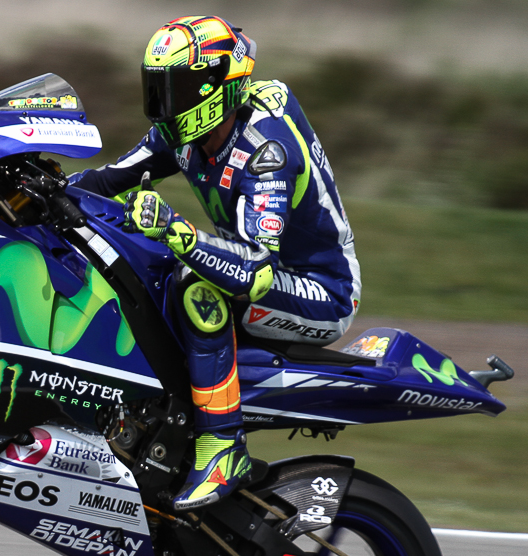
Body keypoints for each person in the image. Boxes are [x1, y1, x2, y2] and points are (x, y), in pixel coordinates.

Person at [71, 16, 361, 510]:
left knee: (194, 287)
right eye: (158, 89)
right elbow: (106, 181)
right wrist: (36, 194)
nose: (165, 104)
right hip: (258, 269)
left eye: (178, 88)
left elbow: (255, 270)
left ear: (218, 85)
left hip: (319, 291)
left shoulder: (266, 151)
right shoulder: (184, 132)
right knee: (150, 269)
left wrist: (176, 229)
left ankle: (224, 446)